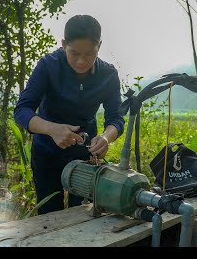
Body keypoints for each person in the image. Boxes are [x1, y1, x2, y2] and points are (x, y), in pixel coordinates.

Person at [13, 14, 125, 215]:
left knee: (81, 214)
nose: (81, 61)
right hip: (46, 153)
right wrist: (52, 129)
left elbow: (116, 118)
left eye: (90, 54)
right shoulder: (48, 65)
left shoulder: (108, 75)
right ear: (63, 44)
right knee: (48, 215)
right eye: (74, 53)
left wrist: (106, 138)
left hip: (85, 156)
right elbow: (22, 110)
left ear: (99, 45)